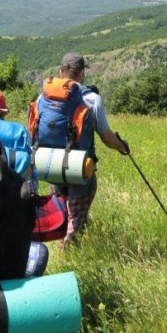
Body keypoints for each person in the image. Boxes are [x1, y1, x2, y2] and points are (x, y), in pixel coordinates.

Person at [38, 52, 128, 247]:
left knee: (61, 209)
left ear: (61, 71)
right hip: (79, 166)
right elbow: (106, 137)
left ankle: (65, 245)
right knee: (76, 216)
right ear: (81, 74)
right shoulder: (91, 99)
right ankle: (69, 253)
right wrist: (122, 146)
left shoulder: (43, 96)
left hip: (51, 164)